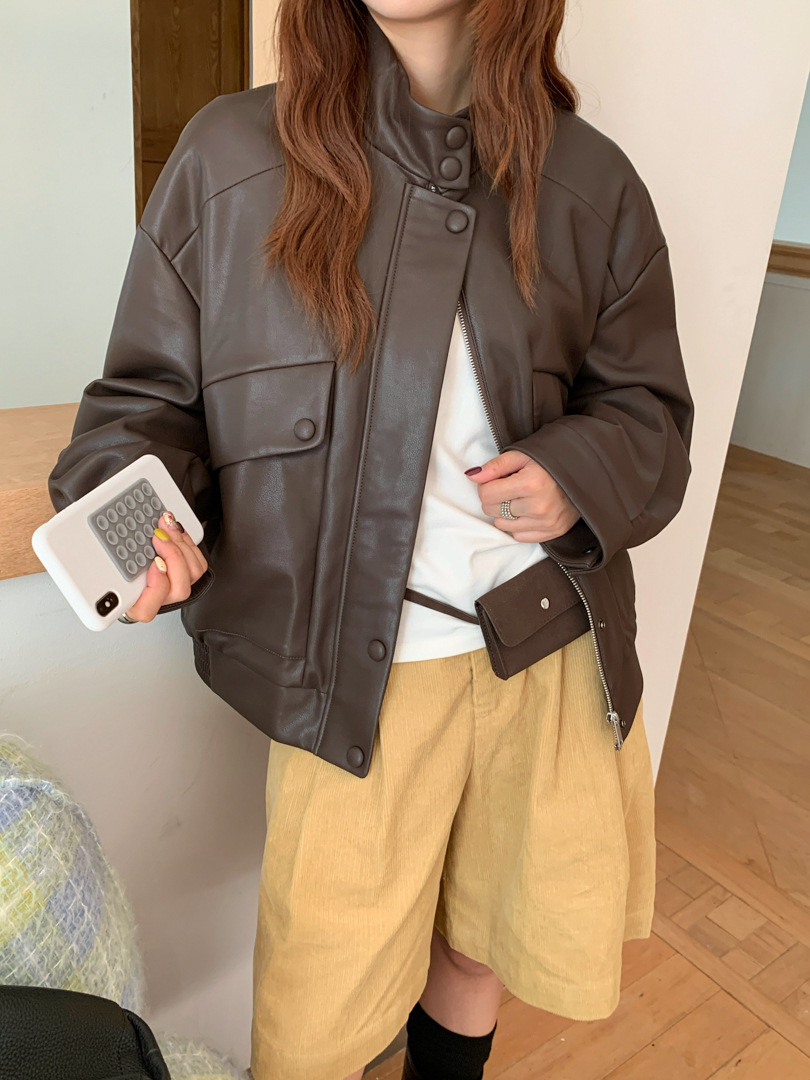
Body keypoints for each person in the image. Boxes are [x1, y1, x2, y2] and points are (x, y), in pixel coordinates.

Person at [47, 1, 695, 1078]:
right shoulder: (228, 155)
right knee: (319, 1019)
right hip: (353, 679)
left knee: (477, 951)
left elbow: (650, 417)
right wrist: (128, 513)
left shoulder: (593, 183)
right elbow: (142, 405)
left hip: (545, 656)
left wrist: (577, 475)